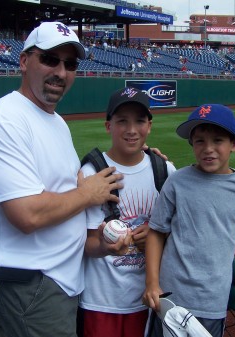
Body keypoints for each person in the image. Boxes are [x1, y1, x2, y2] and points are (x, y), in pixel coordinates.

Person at [0, 21, 123, 337]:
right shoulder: (3, 119)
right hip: (30, 281)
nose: (61, 72)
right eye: (50, 59)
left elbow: (66, 194)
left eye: (70, 64)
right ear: (24, 61)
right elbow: (27, 214)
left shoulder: (56, 122)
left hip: (56, 277)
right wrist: (89, 194)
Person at [142, 104, 235, 337]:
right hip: (169, 298)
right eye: (199, 141)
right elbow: (156, 231)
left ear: (234, 144)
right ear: (192, 144)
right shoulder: (177, 181)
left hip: (212, 301)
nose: (208, 149)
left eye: (218, 140)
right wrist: (152, 283)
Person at [79, 87, 176, 337]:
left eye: (139, 121)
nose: (132, 130)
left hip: (146, 300)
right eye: (122, 121)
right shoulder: (91, 173)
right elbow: (86, 244)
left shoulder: (165, 171)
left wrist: (157, 239)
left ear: (150, 126)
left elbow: (181, 232)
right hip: (100, 300)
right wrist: (104, 246)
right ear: (108, 125)